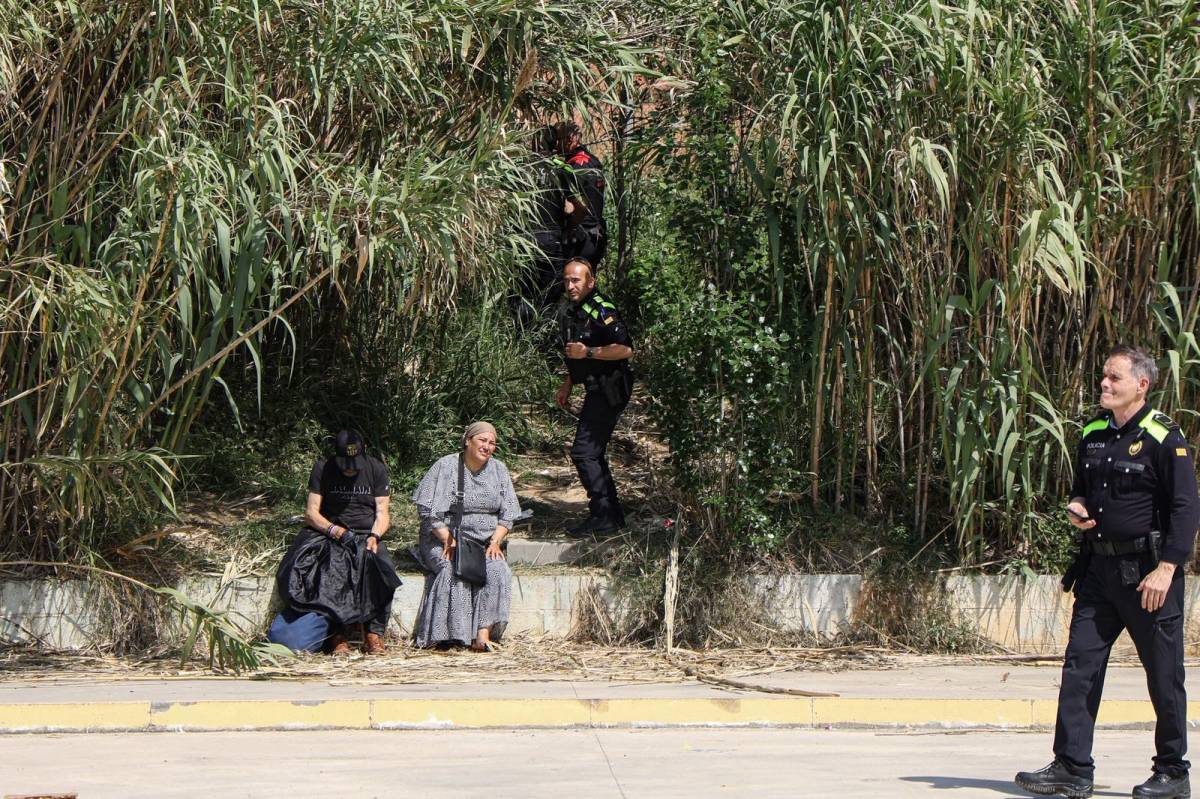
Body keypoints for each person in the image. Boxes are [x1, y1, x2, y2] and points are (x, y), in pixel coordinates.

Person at [1016, 345, 1199, 799]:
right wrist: (1076, 508)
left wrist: (1168, 567)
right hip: (1098, 570)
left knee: (1163, 675)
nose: (1104, 384)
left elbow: (1185, 506)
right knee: (1080, 667)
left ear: (1142, 385)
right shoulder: (1094, 433)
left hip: (1148, 575)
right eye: (1103, 376)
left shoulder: (1163, 436)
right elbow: (1082, 491)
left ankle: (1173, 771)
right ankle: (1072, 767)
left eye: (1114, 378)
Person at [276, 428, 400, 655]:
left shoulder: (376, 469)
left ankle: (374, 633)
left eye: (355, 463)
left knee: (382, 567)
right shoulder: (323, 468)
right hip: (329, 531)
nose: (351, 468)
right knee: (331, 571)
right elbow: (311, 514)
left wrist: (375, 536)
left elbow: (383, 513)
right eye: (346, 463)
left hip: (366, 533)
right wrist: (336, 532)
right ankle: (337, 634)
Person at [411, 422, 520, 651]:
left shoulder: (499, 469)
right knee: (454, 569)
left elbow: (508, 514)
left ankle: (482, 634)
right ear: (468, 441)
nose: (487, 446)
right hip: (445, 538)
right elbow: (428, 512)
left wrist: (496, 540)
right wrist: (447, 539)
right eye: (482, 440)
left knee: (498, 570)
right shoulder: (446, 466)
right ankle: (453, 635)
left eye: (492, 443)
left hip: (485, 542)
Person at [557, 258, 633, 537]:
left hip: (611, 387)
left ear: (591, 282)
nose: (570, 285)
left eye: (576, 280)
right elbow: (575, 351)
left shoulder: (602, 309)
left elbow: (625, 349)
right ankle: (611, 516)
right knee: (592, 453)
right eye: (566, 280)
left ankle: (603, 517)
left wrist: (588, 353)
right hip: (595, 386)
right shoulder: (574, 309)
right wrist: (568, 383)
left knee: (584, 452)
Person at [514, 125, 567, 331]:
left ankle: (522, 341)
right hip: (551, 239)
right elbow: (573, 205)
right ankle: (547, 345)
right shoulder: (560, 169)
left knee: (523, 294)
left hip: (524, 239)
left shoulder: (518, 168)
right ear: (554, 145)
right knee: (550, 297)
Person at [554, 121, 607, 270]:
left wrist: (569, 229)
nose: (555, 145)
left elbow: (579, 208)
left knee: (573, 284)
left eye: (558, 139)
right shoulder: (593, 160)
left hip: (580, 238)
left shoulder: (571, 168)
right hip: (597, 235)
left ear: (569, 139)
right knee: (587, 283)